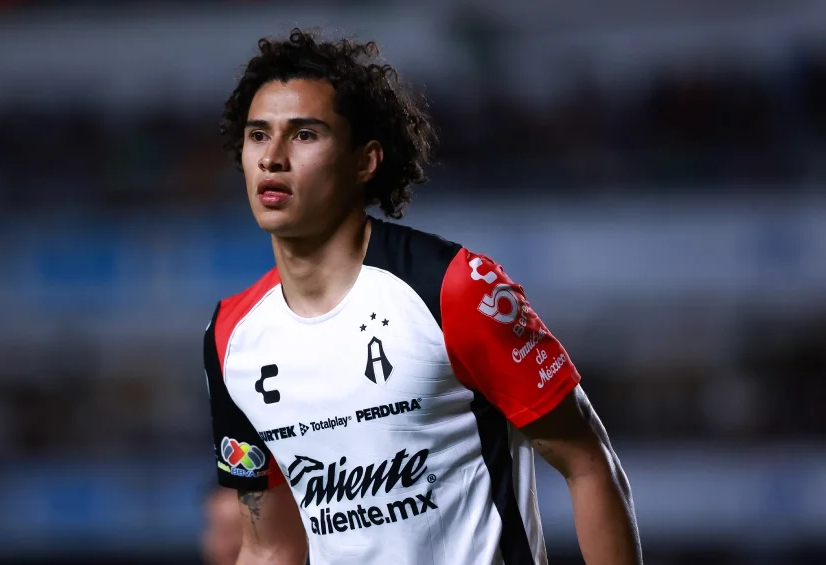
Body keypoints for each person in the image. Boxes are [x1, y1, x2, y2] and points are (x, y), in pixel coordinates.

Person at [203, 28, 642, 565]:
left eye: (305, 135)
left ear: (365, 161)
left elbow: (588, 463)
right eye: (257, 135)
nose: (272, 158)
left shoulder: (454, 288)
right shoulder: (231, 337)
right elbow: (268, 547)